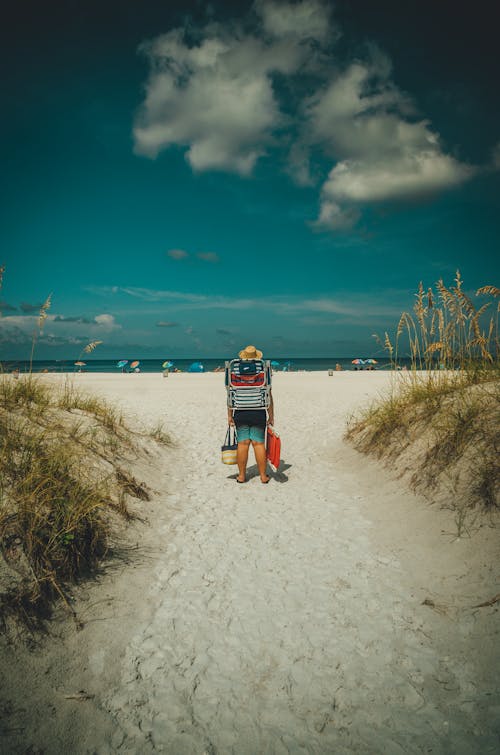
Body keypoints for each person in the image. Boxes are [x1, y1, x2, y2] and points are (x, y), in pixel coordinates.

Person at [227, 345, 274, 484]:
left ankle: (241, 476)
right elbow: (268, 394)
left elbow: (230, 393)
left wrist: (229, 415)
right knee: (258, 444)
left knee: (243, 443)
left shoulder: (235, 370)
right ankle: (263, 476)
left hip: (240, 410)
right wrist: (271, 415)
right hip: (258, 410)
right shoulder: (263, 369)